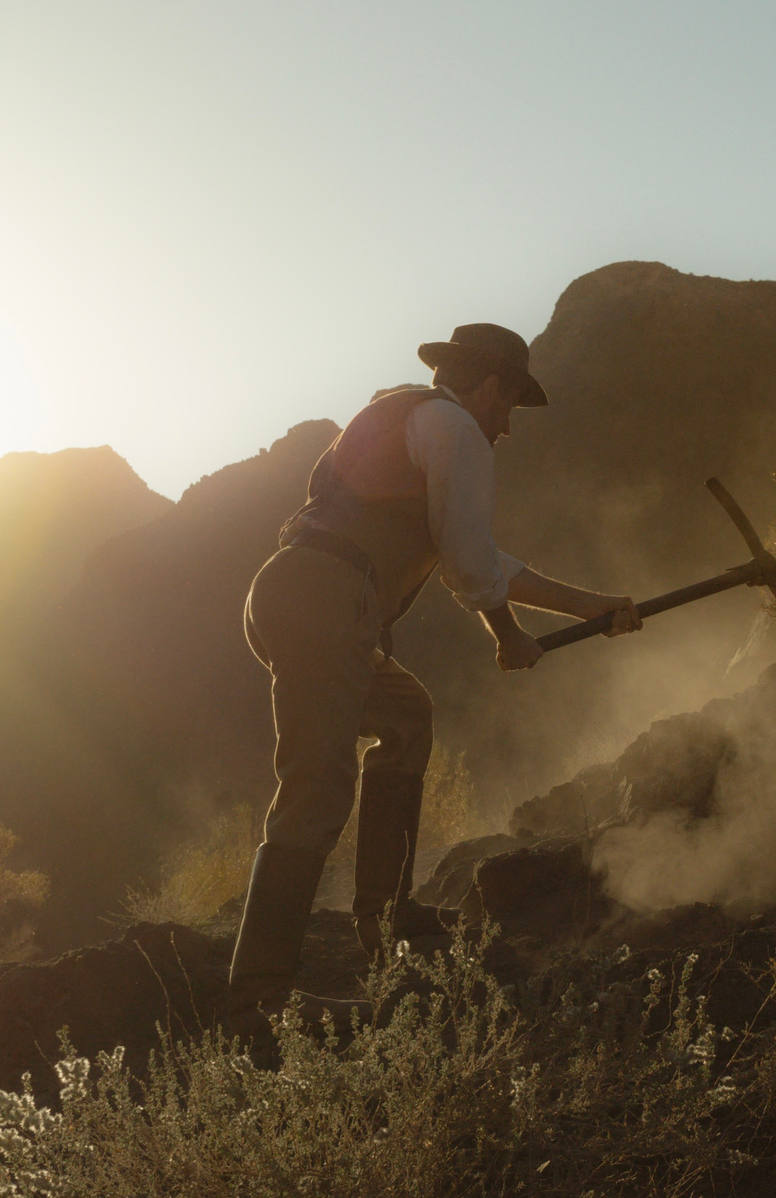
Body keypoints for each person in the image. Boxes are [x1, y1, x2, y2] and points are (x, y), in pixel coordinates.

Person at [223, 321, 641, 1032]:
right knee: (315, 789)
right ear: (490, 388)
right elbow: (471, 565)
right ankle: (259, 1003)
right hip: (328, 602)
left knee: (406, 717)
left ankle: (388, 918)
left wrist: (590, 605)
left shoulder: (407, 416)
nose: (507, 426)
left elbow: (476, 556)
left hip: (297, 591)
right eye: (509, 405)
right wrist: (508, 638)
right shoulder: (458, 429)